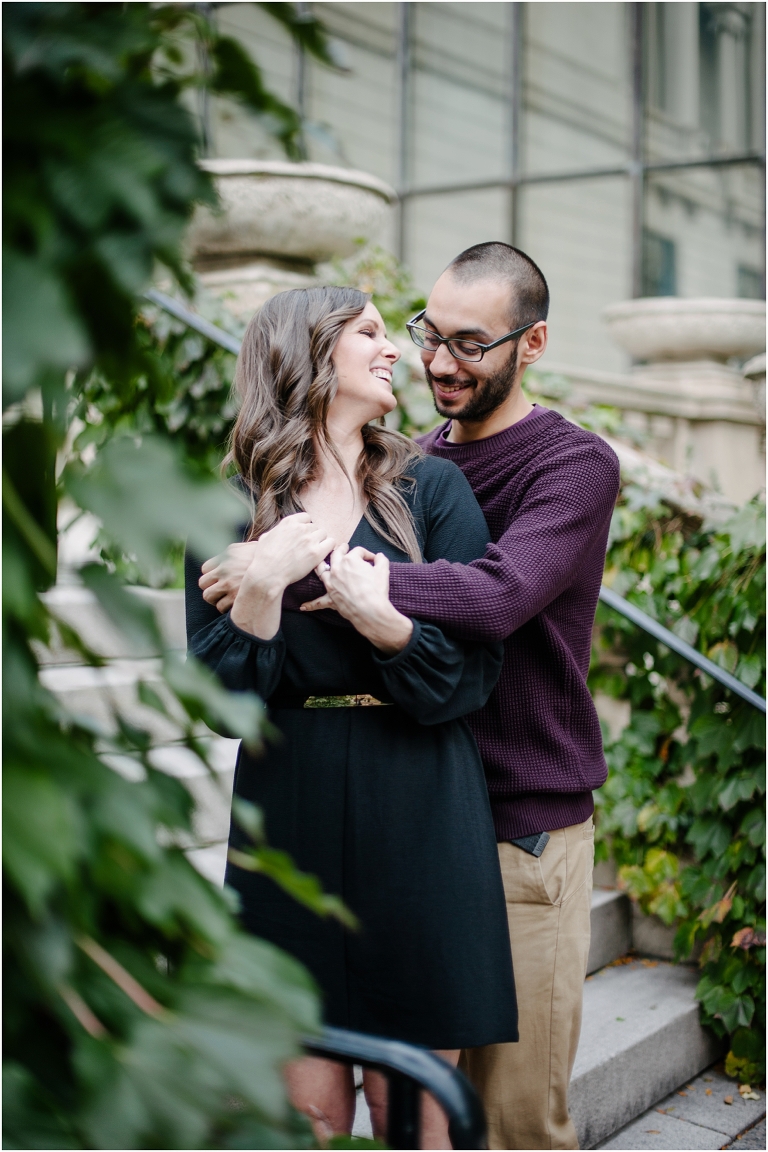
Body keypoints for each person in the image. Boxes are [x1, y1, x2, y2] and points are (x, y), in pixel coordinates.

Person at [201, 245, 622, 1150]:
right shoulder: (419, 460)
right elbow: (225, 672)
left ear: (532, 342)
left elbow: (499, 597)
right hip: (384, 802)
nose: (432, 360)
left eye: (468, 344)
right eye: (425, 334)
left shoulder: (568, 466)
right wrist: (282, 576)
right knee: (349, 1107)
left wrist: (337, 575)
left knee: (508, 1121)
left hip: (518, 816)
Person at [185, 285, 517, 1149]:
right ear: (310, 352)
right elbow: (221, 705)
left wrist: (387, 623)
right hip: (286, 809)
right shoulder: (230, 509)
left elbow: (473, 675)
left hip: (419, 803)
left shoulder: (432, 491)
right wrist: (261, 586)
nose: (395, 351)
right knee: (310, 1118)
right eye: (371, 333)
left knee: (413, 1114)